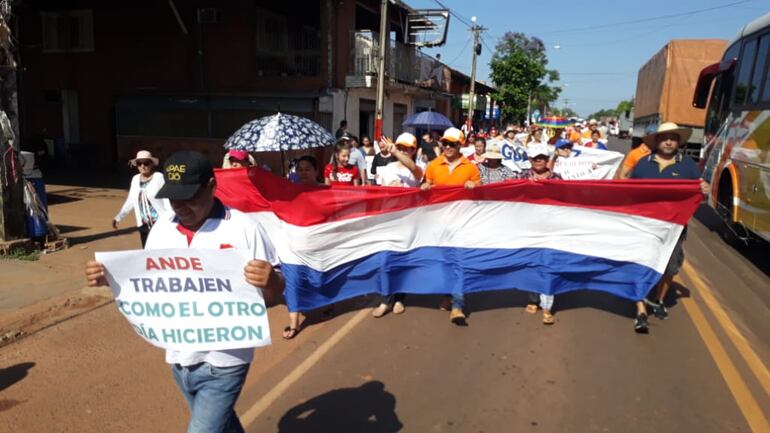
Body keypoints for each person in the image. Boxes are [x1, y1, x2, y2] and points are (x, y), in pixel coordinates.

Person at [86, 150, 284, 433]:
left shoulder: (244, 228)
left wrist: (270, 281)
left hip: (225, 361)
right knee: (223, 426)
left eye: (189, 196)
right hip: (180, 358)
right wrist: (112, 276)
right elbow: (149, 283)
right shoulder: (162, 229)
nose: (180, 206)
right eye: (173, 197)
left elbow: (274, 295)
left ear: (212, 187)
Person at [629, 122, 709, 333]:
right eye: (664, 138)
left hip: (674, 228)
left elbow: (700, 195)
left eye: (673, 138)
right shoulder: (643, 164)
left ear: (678, 142)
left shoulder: (688, 166)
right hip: (645, 226)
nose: (668, 142)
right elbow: (629, 191)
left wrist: (704, 189)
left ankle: (659, 299)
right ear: (656, 141)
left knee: (670, 267)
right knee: (642, 265)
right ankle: (641, 310)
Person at [422, 127, 481, 325]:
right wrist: (425, 187)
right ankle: (448, 295)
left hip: (462, 224)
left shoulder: (470, 167)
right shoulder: (433, 165)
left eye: (452, 144)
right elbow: (426, 185)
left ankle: (457, 305)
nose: (447, 147)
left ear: (460, 145)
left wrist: (474, 188)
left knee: (459, 262)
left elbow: (482, 195)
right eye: (445, 143)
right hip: (438, 224)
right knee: (443, 262)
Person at [371, 133, 423, 318]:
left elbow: (416, 171)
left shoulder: (417, 168)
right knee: (384, 260)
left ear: (413, 150)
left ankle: (400, 298)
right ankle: (385, 299)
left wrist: (395, 152)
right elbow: (379, 192)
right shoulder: (387, 167)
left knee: (402, 261)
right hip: (388, 220)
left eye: (406, 148)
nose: (401, 150)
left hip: (408, 221)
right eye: (399, 147)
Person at [515, 144, 561, 324]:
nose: (538, 160)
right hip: (529, 228)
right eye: (535, 157)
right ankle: (533, 299)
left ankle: (548, 306)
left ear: (547, 159)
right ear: (530, 159)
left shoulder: (557, 179)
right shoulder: (521, 177)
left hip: (551, 228)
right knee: (532, 264)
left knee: (550, 264)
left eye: (541, 157)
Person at [284, 155, 321, 339]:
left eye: (307, 169)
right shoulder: (289, 190)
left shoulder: (325, 191)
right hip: (293, 244)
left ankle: (327, 302)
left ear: (316, 171)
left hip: (318, 244)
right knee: (293, 280)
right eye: (299, 169)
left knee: (318, 279)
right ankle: (294, 323)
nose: (303, 172)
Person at [113, 150, 170, 247]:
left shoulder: (159, 178)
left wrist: (172, 219)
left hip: (159, 224)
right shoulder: (135, 179)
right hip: (143, 225)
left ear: (152, 164)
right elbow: (131, 200)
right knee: (146, 252)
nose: (142, 166)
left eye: (146, 163)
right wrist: (118, 217)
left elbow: (167, 199)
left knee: (160, 251)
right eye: (139, 163)